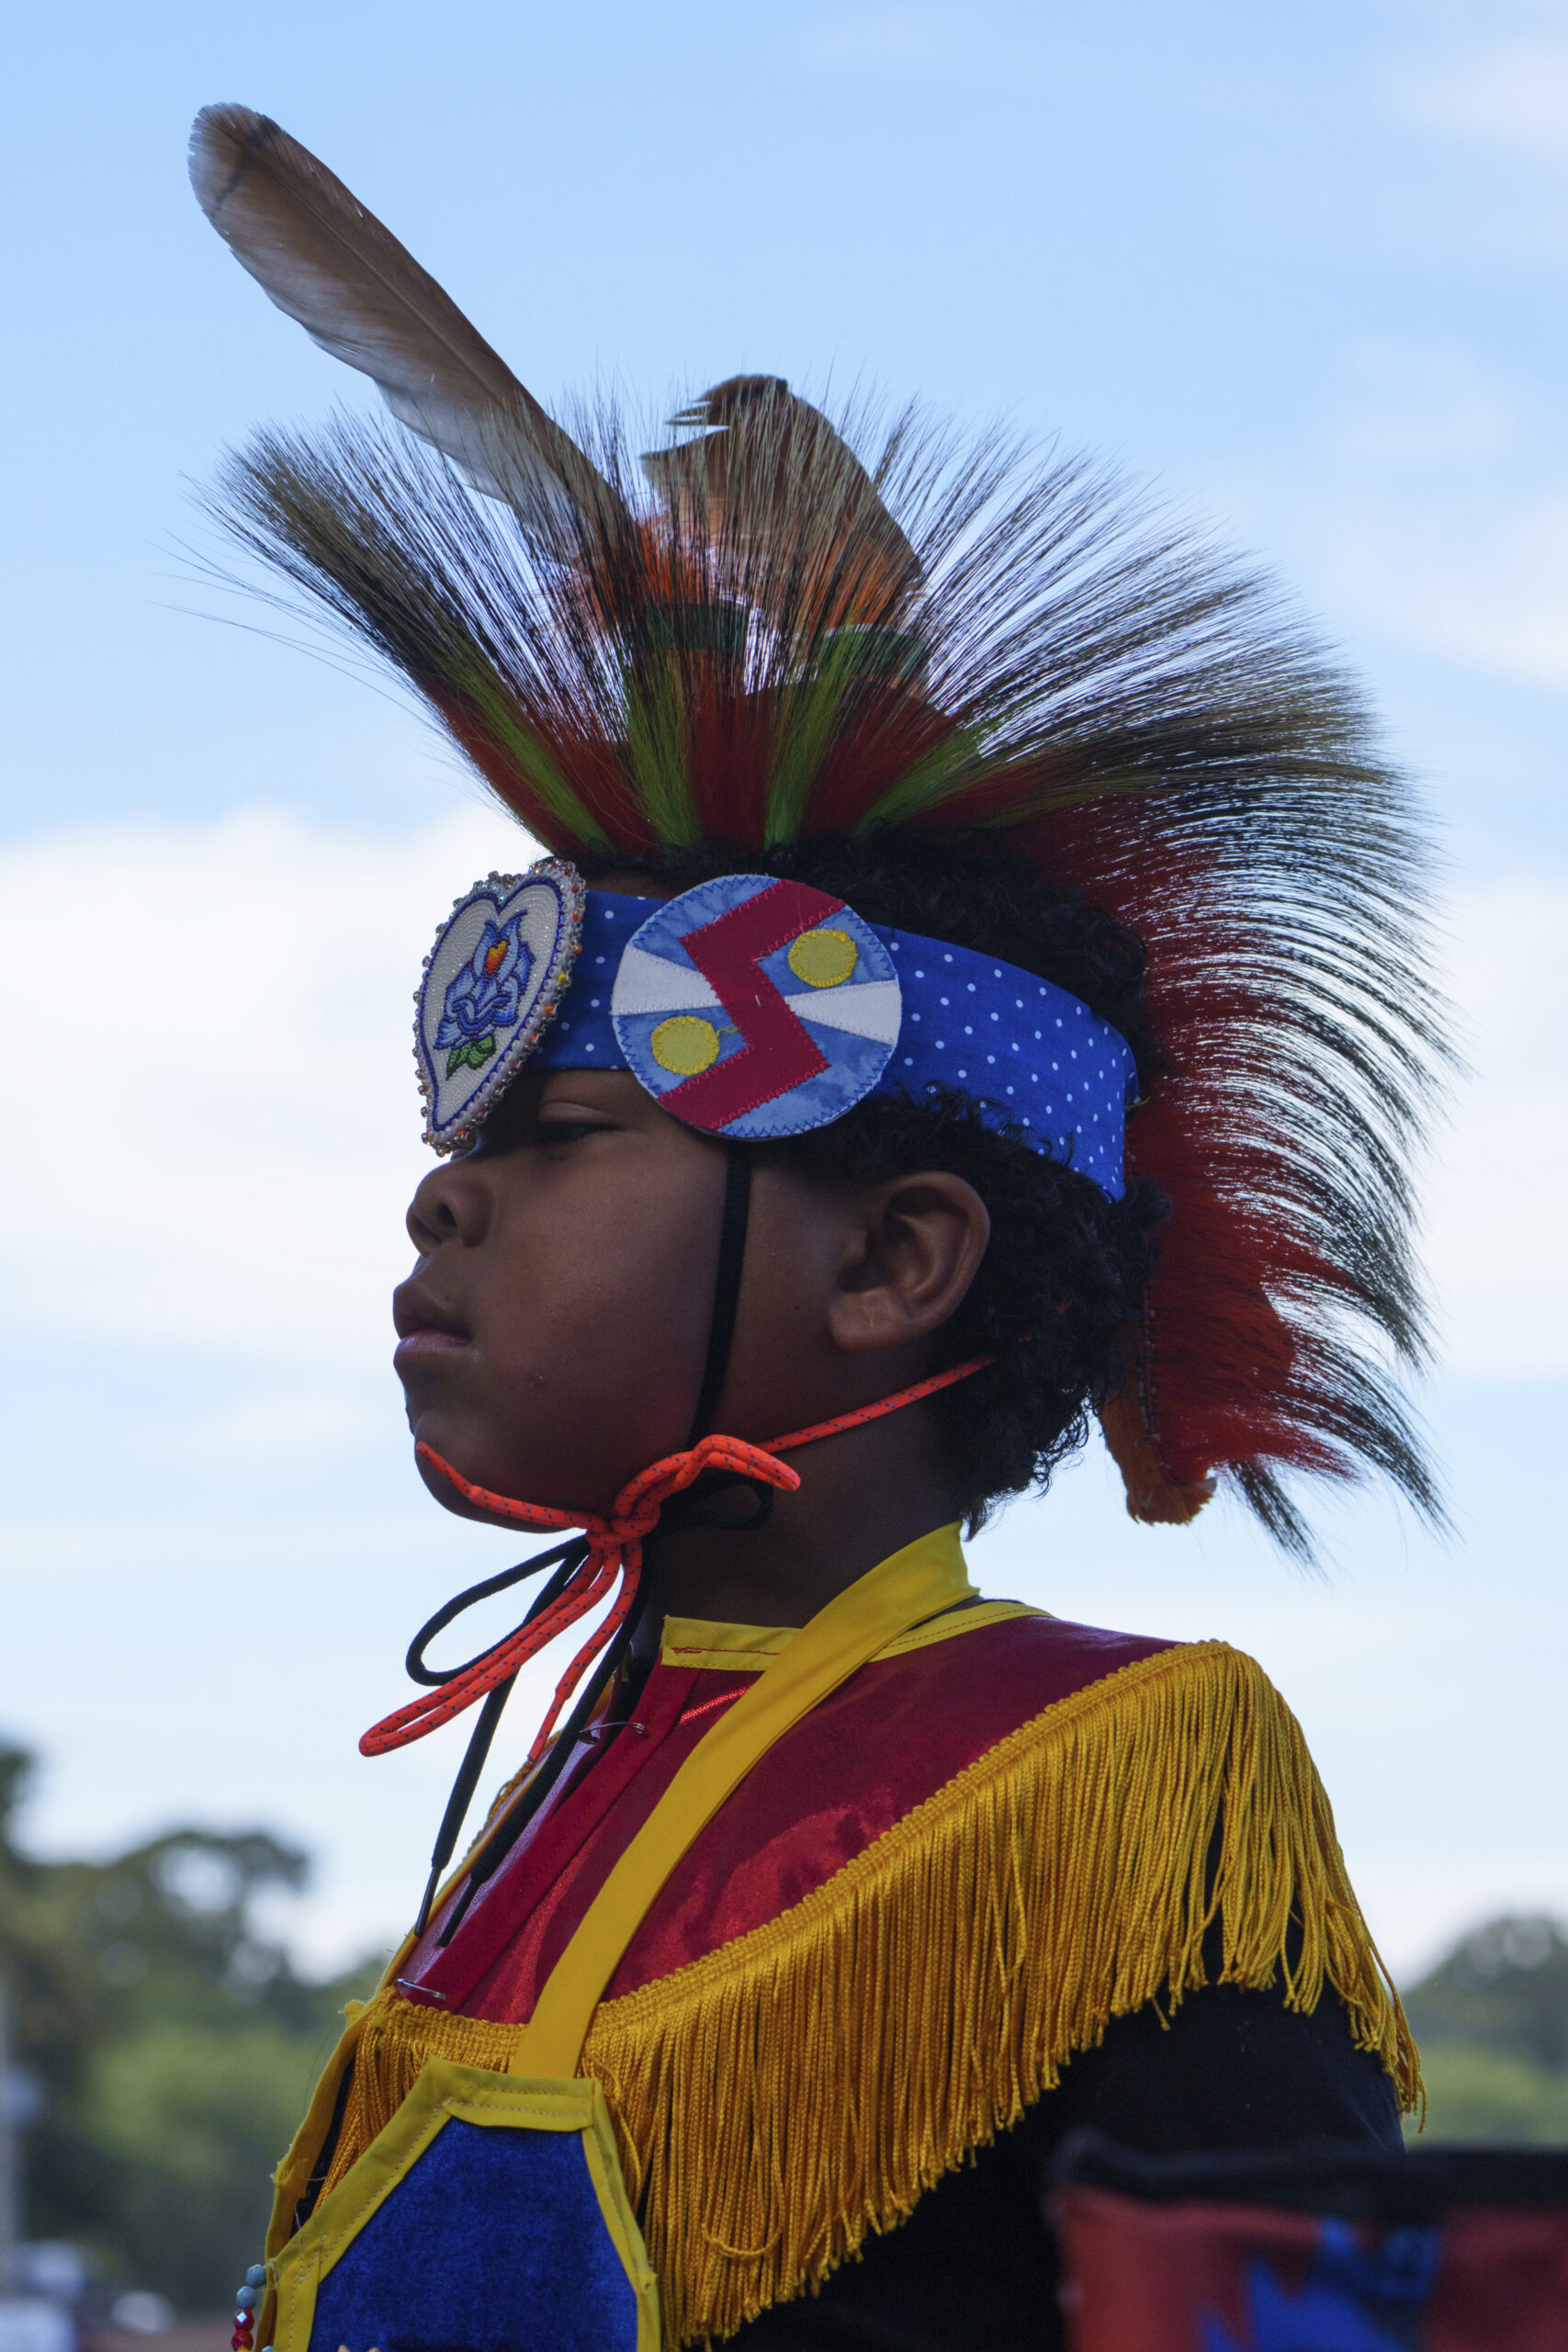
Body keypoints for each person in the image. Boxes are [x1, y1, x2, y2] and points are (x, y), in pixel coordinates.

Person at [189, 103, 1444, 2352]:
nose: (441, 1192)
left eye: (567, 1132)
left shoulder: (1116, 1793)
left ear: (895, 1261)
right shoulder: (574, 1773)